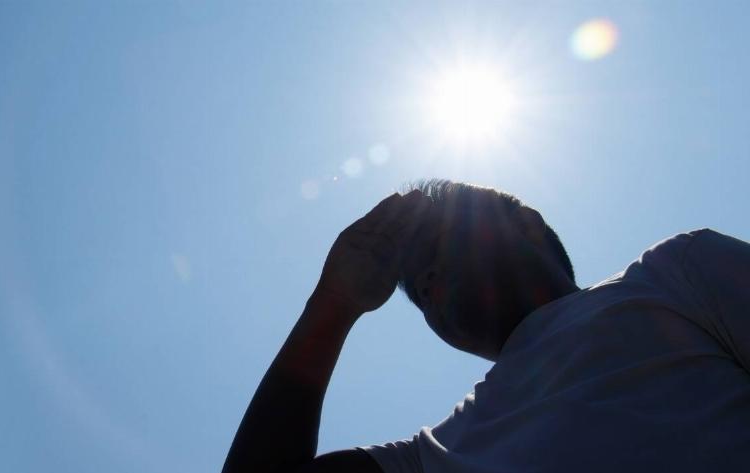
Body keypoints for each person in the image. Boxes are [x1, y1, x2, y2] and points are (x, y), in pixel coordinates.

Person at [222, 179, 750, 473]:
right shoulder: (434, 455)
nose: (426, 282)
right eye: (415, 288)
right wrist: (333, 305)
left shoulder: (675, 274)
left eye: (440, 246)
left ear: (526, 224)